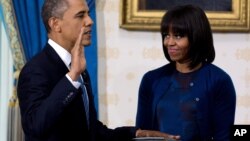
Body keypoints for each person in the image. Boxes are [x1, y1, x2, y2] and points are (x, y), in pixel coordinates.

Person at [17, 0, 180, 141]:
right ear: (55, 24)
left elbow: (92, 132)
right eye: (80, 15)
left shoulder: (79, 69)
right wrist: (72, 76)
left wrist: (138, 133)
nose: (89, 21)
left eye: (88, 14)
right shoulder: (36, 70)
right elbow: (34, 127)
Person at [135, 4, 236, 141]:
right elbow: (141, 134)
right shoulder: (151, 79)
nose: (169, 42)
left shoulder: (220, 81)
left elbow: (224, 136)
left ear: (196, 37)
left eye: (177, 36)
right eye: (166, 35)